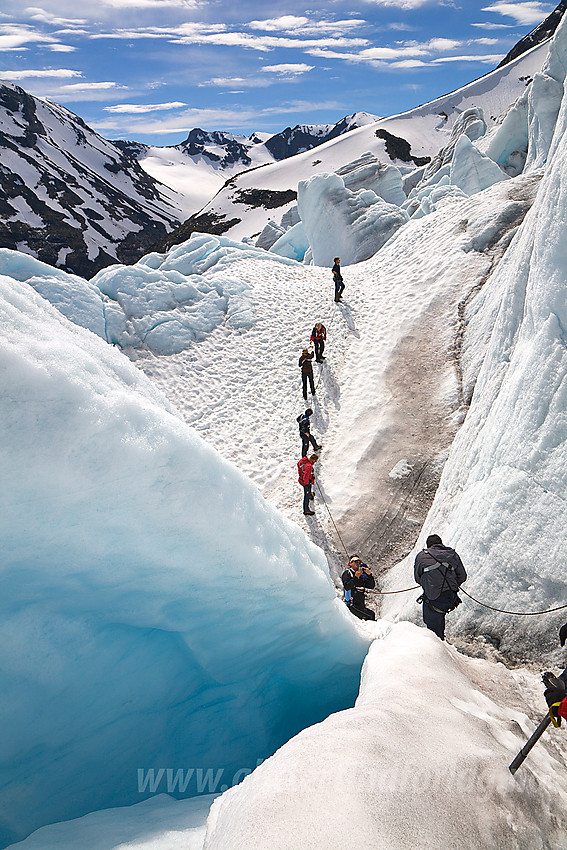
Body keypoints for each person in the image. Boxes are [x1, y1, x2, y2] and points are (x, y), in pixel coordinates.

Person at [414, 534, 466, 640]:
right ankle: (440, 638)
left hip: (433, 598)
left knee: (432, 624)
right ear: (441, 544)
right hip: (450, 597)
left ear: (428, 546)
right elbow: (462, 576)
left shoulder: (422, 556)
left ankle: (437, 646)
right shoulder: (452, 555)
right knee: (440, 615)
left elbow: (417, 578)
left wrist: (429, 583)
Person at [342, 556, 376, 620]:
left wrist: (369, 575)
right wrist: (355, 577)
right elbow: (347, 586)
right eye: (355, 561)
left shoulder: (361, 576)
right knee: (370, 616)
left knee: (372, 614)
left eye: (359, 562)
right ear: (350, 563)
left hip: (361, 606)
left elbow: (371, 586)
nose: (358, 563)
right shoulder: (347, 574)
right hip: (351, 606)